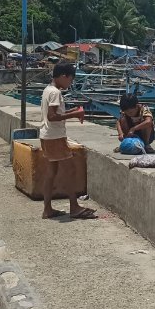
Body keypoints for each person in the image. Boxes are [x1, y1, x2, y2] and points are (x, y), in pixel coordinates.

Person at [40, 62, 95, 219]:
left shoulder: (48, 90)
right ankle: (74, 207)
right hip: (55, 137)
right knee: (69, 171)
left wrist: (73, 110)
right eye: (70, 80)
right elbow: (52, 117)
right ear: (64, 77)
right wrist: (74, 115)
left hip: (47, 135)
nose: (70, 83)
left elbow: (54, 113)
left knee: (51, 172)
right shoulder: (55, 93)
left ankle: (47, 209)